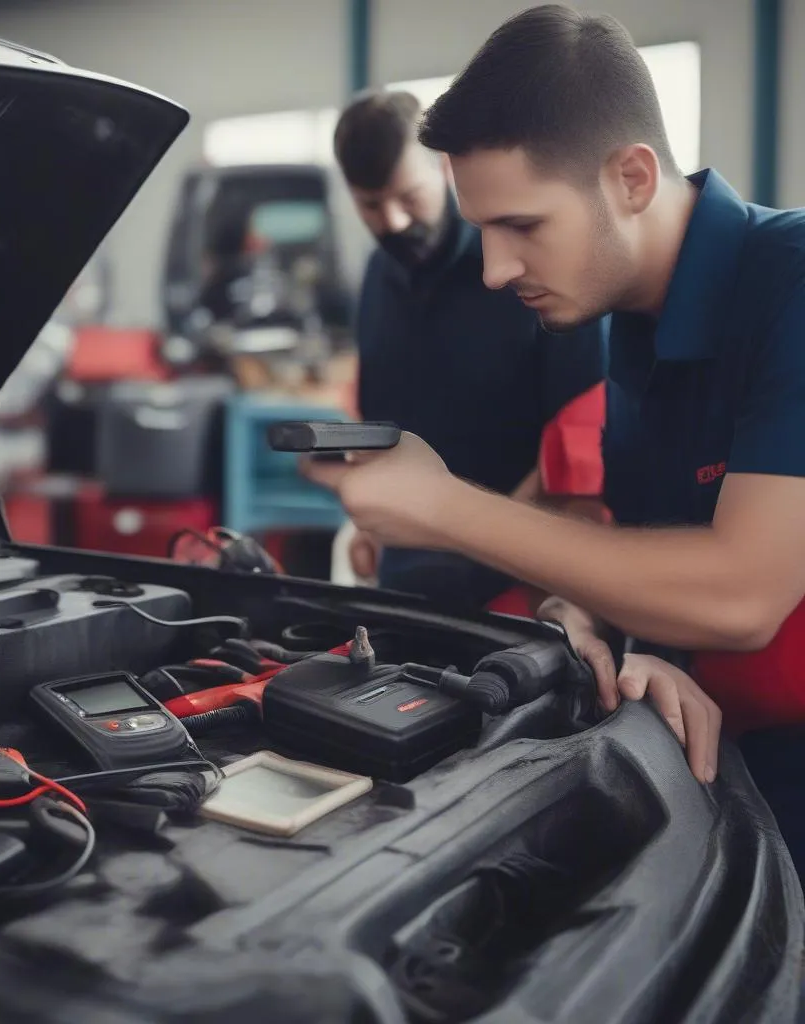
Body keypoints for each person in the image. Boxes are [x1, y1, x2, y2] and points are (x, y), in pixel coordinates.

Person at [304, 3, 805, 878]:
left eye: (523, 227)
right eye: (483, 230)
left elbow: (741, 594)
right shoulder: (632, 333)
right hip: (733, 779)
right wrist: (596, 624)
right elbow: (647, 553)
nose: (494, 270)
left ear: (633, 179)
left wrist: (446, 506)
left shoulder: (793, 282)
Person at [332, 89, 605, 609]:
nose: (392, 222)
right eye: (370, 205)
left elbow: (579, 443)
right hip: (410, 573)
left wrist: (479, 541)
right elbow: (379, 420)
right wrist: (369, 525)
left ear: (443, 167)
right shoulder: (374, 277)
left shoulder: (525, 268)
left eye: (407, 197)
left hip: (527, 575)